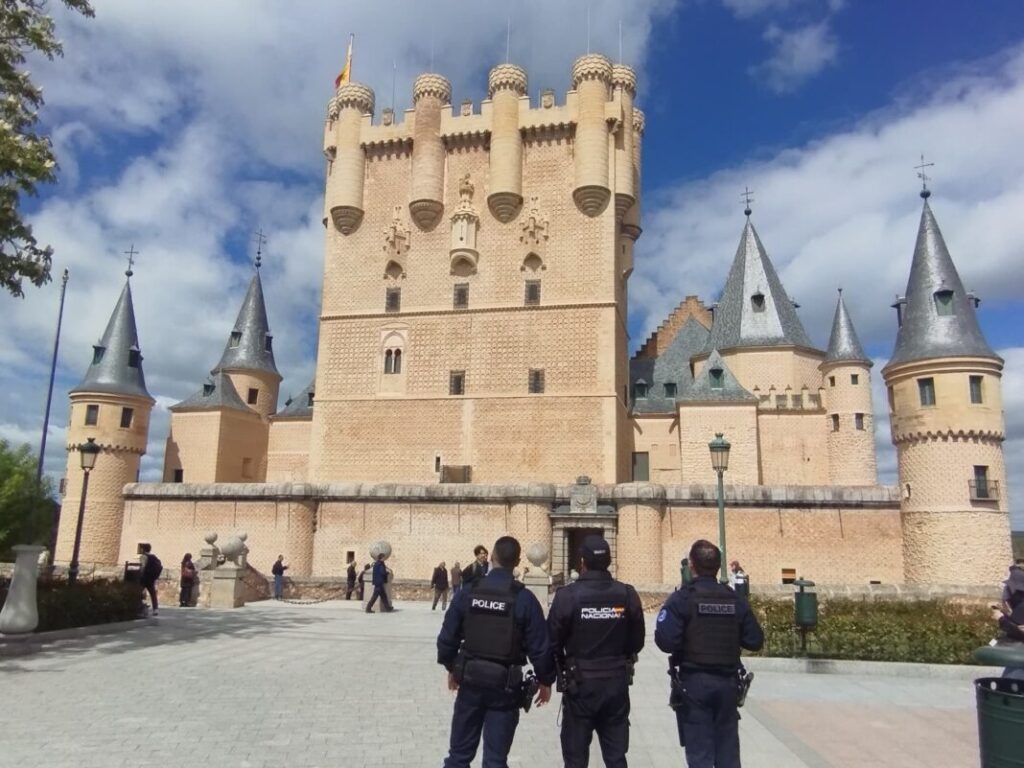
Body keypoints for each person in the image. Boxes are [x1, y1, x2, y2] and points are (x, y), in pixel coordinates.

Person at [437, 536, 555, 767]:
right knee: (495, 760)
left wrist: (451, 667)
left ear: (491, 557)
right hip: (505, 687)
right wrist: (546, 680)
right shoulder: (524, 599)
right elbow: (540, 647)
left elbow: (446, 638)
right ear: (518, 562)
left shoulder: (468, 592)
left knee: (458, 756)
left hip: (470, 681)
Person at [655, 539, 764, 768]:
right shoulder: (735, 599)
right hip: (727, 683)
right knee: (728, 754)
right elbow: (755, 640)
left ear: (691, 565)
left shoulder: (682, 599)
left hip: (694, 683)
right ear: (718, 566)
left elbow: (665, 641)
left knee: (700, 754)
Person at [547, 535, 645, 768]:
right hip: (615, 682)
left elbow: (551, 640)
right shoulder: (627, 594)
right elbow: (637, 641)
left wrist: (556, 670)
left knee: (575, 757)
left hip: (579, 684)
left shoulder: (567, 596)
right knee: (616, 756)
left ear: (582, 562)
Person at [994, 566, 1024, 680]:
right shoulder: (1018, 608)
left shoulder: (1021, 608)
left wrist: (1001, 618)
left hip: (1018, 662)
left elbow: (1014, 631)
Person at [139, 543, 162, 616]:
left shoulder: (143, 556)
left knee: (138, 592)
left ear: (143, 549)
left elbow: (142, 567)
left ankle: (139, 607)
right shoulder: (153, 556)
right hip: (151, 578)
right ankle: (155, 609)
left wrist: (140, 575)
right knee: (153, 594)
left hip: (144, 577)